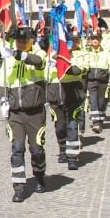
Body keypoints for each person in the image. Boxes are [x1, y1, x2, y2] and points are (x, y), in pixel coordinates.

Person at [0, 26, 48, 201]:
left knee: (36, 149)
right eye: (18, 41)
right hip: (16, 114)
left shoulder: (38, 54)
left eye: (24, 42)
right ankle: (19, 187)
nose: (20, 44)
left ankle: (40, 176)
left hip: (35, 111)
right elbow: (2, 83)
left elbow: (38, 62)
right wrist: (3, 100)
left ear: (30, 42)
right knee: (17, 149)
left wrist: (17, 54)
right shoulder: (9, 59)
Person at [45, 32, 87, 172]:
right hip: (55, 95)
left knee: (72, 126)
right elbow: (44, 75)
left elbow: (80, 70)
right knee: (60, 126)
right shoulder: (50, 56)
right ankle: (62, 150)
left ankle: (72, 157)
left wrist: (63, 63)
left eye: (69, 43)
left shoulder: (79, 55)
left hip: (73, 95)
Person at [78, 32, 110, 132]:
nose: (95, 40)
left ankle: (100, 120)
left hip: (103, 81)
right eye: (93, 39)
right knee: (93, 101)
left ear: (100, 40)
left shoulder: (105, 52)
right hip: (91, 81)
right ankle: (96, 123)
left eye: (97, 39)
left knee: (101, 102)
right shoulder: (87, 52)